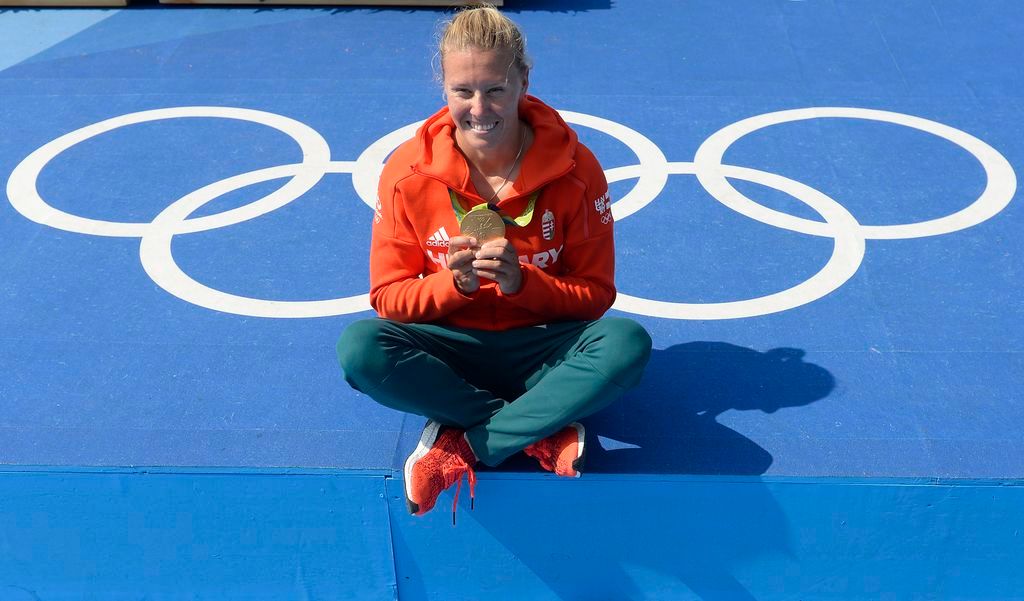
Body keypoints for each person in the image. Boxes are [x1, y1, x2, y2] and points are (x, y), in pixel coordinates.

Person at [336, 3, 652, 521]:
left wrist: (524, 283)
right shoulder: (406, 173)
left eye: (495, 89)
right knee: (360, 350)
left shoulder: (577, 169)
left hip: (542, 347)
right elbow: (387, 298)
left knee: (626, 344)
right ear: (443, 87)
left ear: (524, 80)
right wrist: (452, 286)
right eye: (463, 91)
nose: (479, 108)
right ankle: (538, 429)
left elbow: (596, 295)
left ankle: (462, 443)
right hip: (449, 347)